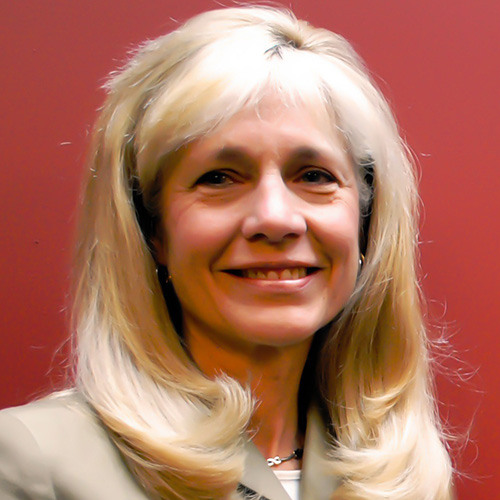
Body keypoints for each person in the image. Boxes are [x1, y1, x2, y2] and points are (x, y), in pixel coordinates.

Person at [0, 6, 454, 500]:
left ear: (365, 224)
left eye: (314, 176)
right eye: (218, 178)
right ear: (151, 229)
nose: (276, 218)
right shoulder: (31, 460)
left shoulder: (405, 478)